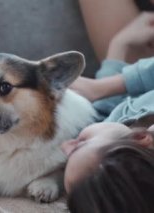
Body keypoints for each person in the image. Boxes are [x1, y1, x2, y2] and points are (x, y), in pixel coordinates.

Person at [62, 6, 154, 213]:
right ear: (141, 138)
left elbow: (102, 111)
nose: (65, 146)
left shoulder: (118, 131)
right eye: (80, 144)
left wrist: (119, 45)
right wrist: (101, 87)